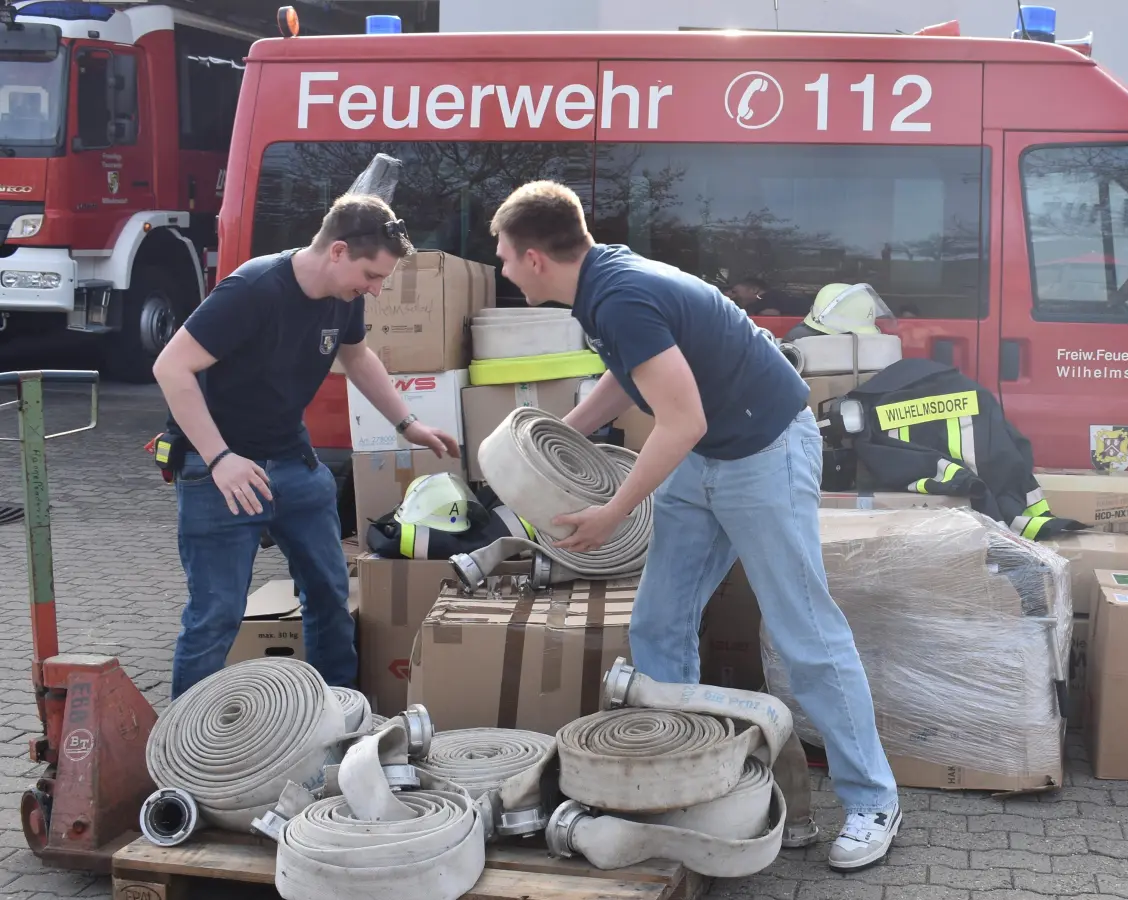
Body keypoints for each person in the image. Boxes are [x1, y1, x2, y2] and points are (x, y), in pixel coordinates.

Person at [489, 180, 902, 872]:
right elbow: (628, 378)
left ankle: (873, 800)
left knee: (804, 632)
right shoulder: (599, 285)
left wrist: (613, 512)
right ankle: (679, 780)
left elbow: (682, 419)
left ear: (534, 258)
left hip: (763, 450)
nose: (499, 269)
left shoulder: (618, 295)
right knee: (658, 622)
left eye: (502, 256)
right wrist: (552, 440)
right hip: (705, 456)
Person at [152, 194, 460, 699]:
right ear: (337, 251)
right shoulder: (252, 289)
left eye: (381, 280)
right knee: (216, 616)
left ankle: (337, 716)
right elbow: (171, 366)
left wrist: (409, 425)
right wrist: (220, 459)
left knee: (329, 595)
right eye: (372, 275)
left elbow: (358, 358)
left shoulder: (346, 295)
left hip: (294, 464)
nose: (377, 290)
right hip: (221, 476)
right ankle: (186, 754)